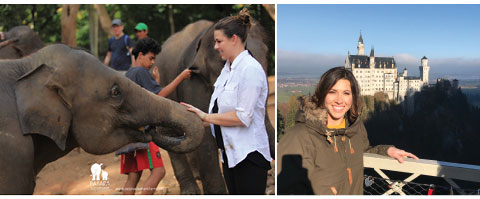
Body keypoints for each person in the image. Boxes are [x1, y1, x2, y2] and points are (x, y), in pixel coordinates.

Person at [277, 67, 419, 195]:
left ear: (353, 97)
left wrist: (386, 150)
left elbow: (362, 150)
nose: (339, 100)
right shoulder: (300, 136)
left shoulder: (354, 128)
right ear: (321, 95)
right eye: (332, 92)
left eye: (346, 93)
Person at [181, 8, 272, 195]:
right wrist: (198, 120)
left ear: (234, 39)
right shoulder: (227, 70)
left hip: (249, 156)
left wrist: (208, 116)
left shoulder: (251, 70)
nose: (216, 47)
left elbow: (243, 116)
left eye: (219, 41)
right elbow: (221, 111)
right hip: (230, 155)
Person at [120, 37, 191, 195]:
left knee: (133, 176)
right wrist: (181, 77)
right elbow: (159, 96)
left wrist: (155, 81)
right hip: (141, 134)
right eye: (150, 58)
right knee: (159, 171)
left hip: (127, 133)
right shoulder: (140, 72)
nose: (152, 62)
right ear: (140, 55)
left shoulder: (129, 73)